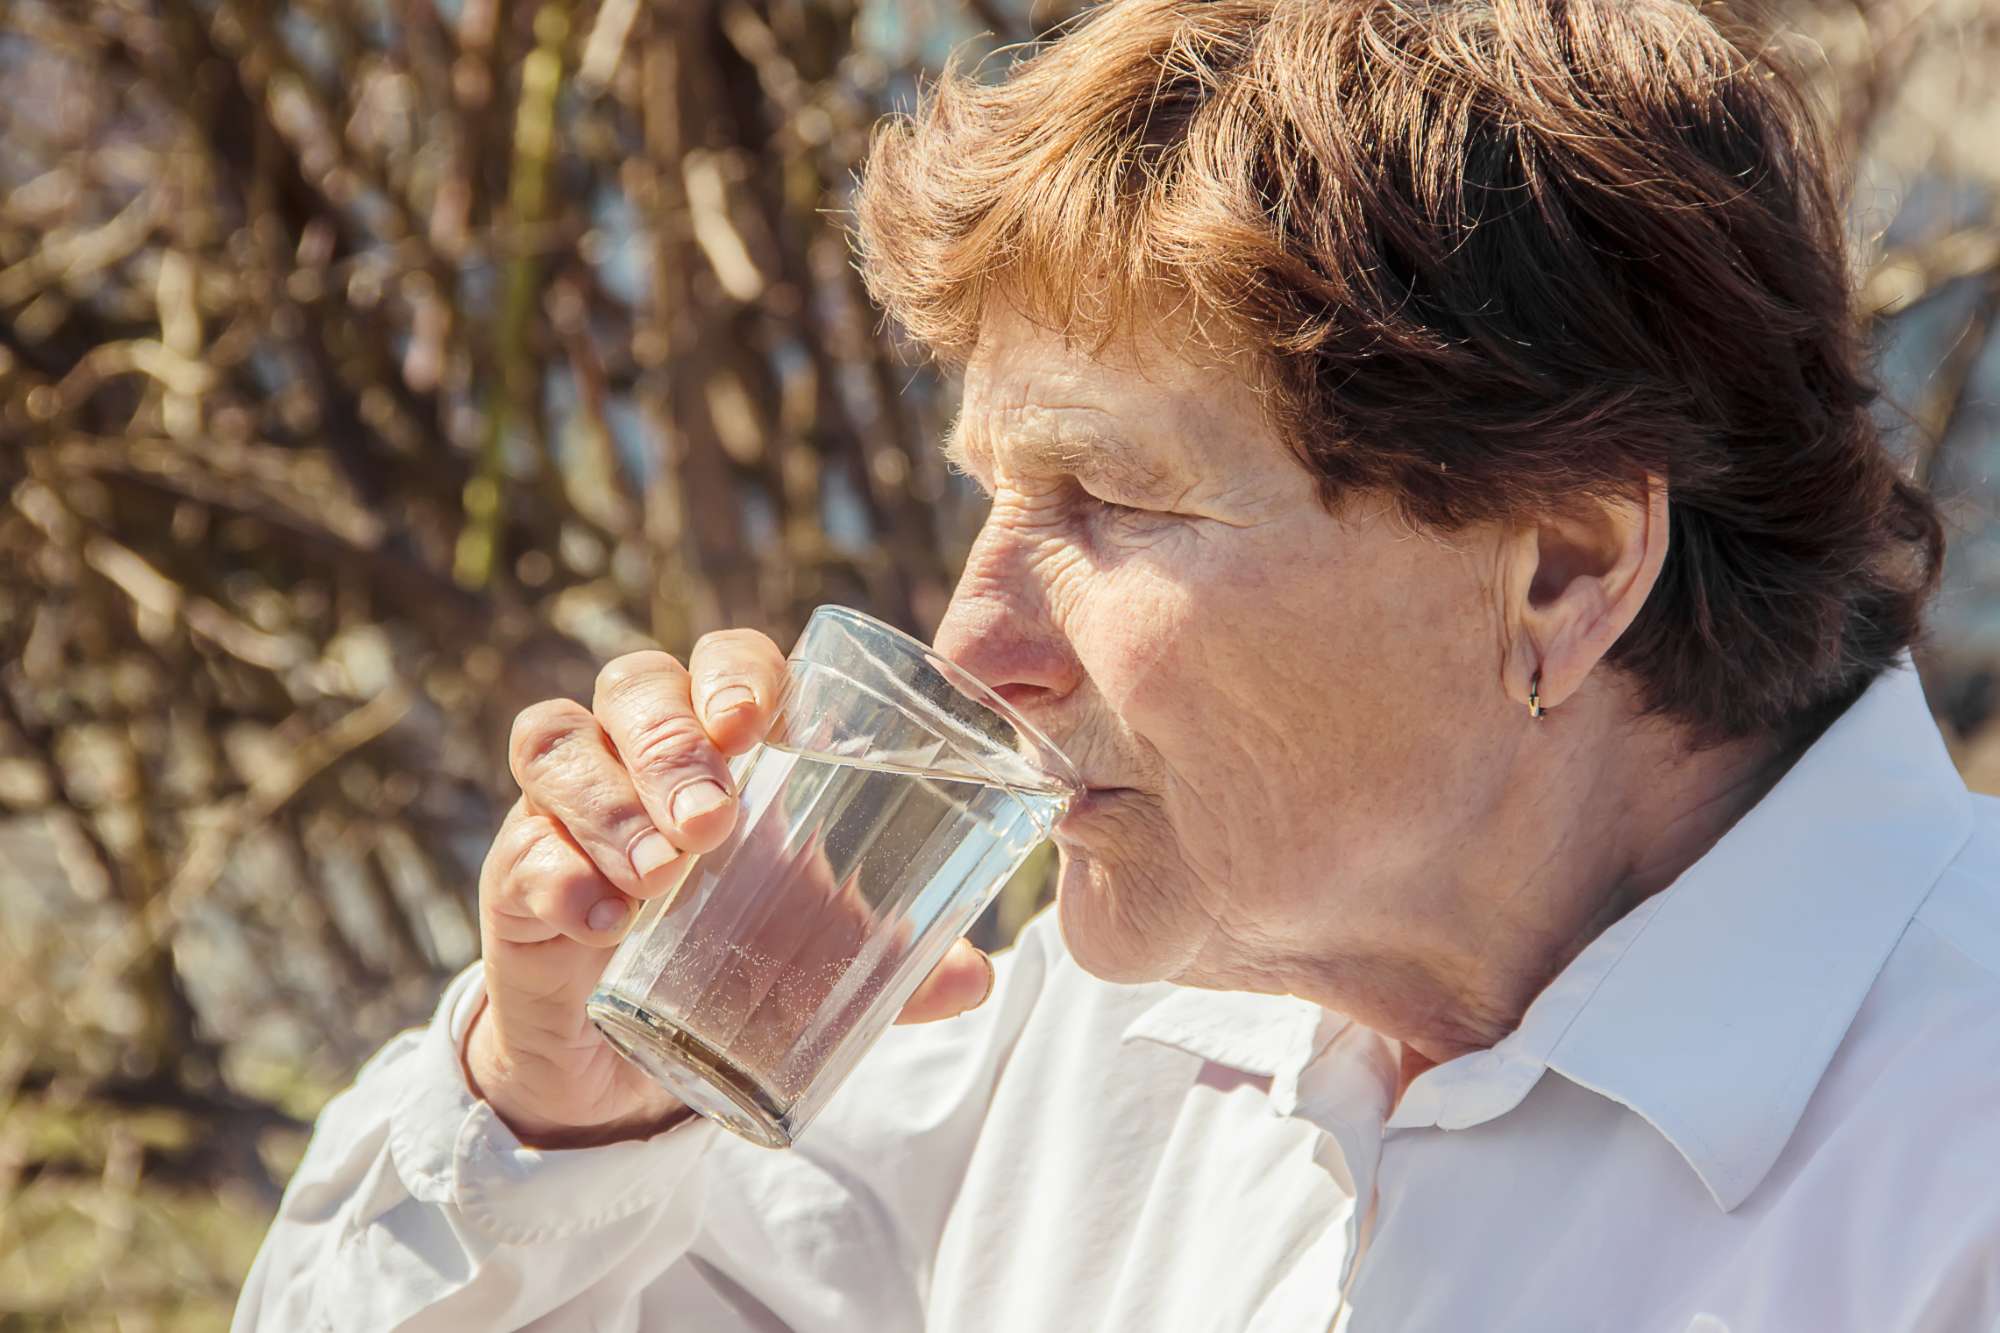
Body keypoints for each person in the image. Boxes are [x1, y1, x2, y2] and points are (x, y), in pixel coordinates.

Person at [233, 1, 2000, 1329]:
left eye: (1107, 499)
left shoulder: (1952, 1167)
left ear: (1565, 569)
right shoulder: (1102, 1029)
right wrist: (566, 1114)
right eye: (996, 495)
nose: (971, 644)